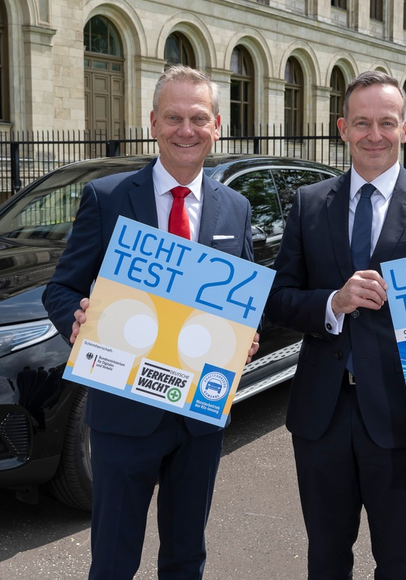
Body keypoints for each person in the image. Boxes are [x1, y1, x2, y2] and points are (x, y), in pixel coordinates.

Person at [42, 65, 257, 580]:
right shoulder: (108, 198)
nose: (187, 129)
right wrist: (77, 321)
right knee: (113, 561)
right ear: (153, 123)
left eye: (198, 118)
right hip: (123, 413)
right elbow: (61, 289)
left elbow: (248, 299)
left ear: (217, 125)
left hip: (199, 416)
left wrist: (248, 335)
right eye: (174, 117)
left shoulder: (236, 208)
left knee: (186, 558)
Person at [266, 70, 406, 579]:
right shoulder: (309, 203)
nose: (374, 134)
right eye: (361, 123)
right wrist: (333, 303)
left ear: (405, 129)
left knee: (398, 561)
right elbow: (278, 299)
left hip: (399, 416)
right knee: (325, 557)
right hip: (321, 415)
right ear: (342, 128)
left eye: (386, 122)